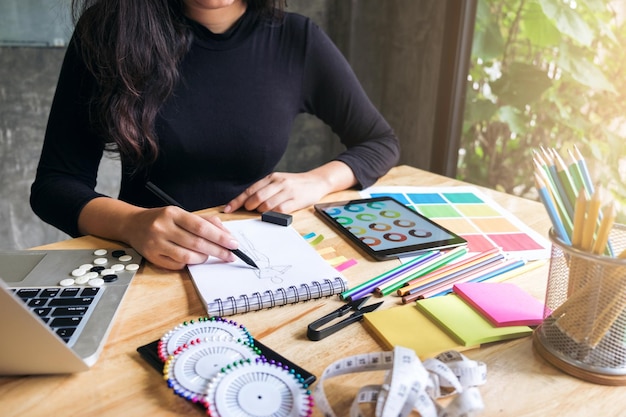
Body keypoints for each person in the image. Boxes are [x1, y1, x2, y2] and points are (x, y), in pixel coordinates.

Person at [30, 0, 400, 270]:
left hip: (253, 260)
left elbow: (379, 142)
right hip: (144, 259)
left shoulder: (297, 39)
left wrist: (317, 181)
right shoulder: (111, 32)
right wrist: (130, 223)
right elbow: (55, 185)